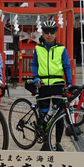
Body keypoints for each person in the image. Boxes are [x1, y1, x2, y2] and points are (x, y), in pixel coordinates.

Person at [31, 20, 72, 151]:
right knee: (43, 115)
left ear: (56, 33)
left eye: (52, 32)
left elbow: (67, 66)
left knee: (58, 115)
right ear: (42, 33)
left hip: (57, 84)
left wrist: (69, 82)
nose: (49, 35)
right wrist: (35, 76)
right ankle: (45, 142)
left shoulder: (61, 48)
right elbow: (34, 64)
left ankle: (58, 142)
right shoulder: (38, 48)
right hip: (42, 85)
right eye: (46, 32)